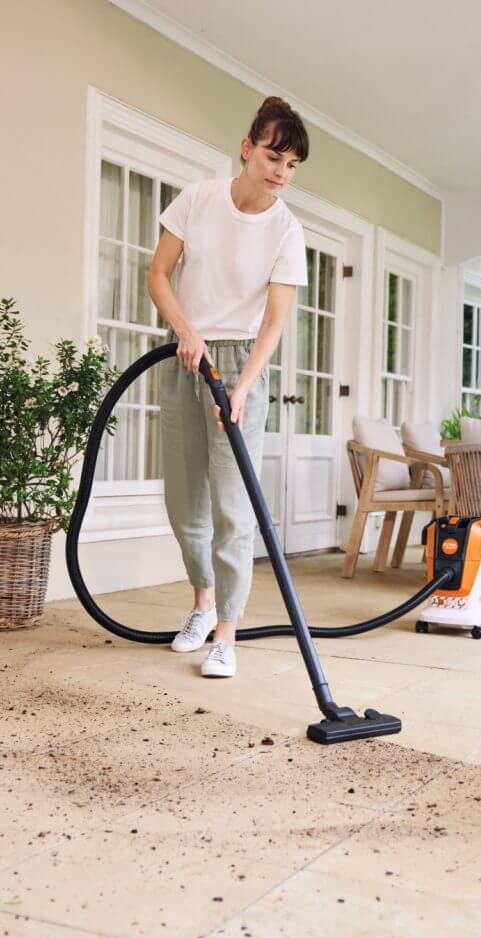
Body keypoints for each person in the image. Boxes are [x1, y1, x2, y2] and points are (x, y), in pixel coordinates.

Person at [146, 96, 309, 679]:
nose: (280, 173)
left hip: (240, 365)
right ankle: (202, 605)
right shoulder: (199, 199)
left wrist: (241, 387)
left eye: (292, 165)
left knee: (233, 508)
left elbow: (274, 322)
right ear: (247, 148)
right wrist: (186, 332)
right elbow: (159, 274)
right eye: (272, 156)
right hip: (186, 355)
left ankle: (227, 635)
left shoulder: (288, 230)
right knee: (183, 498)